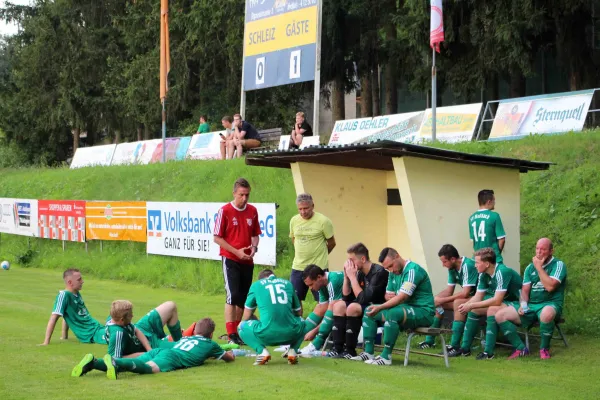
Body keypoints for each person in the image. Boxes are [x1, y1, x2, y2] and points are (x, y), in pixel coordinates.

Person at [72, 318, 235, 379]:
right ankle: (115, 361)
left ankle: (93, 363)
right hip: (172, 357)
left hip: (160, 351)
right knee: (147, 370)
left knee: (134, 363)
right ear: (211, 334)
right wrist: (231, 352)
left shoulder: (188, 337)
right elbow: (229, 358)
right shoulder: (211, 344)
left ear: (196, 330)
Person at [352, 247, 435, 365]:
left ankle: (386, 357)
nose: (390, 270)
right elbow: (388, 295)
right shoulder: (392, 273)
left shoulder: (413, 270)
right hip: (404, 309)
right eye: (387, 268)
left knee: (392, 313)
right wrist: (387, 297)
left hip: (423, 311)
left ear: (397, 256)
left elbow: (401, 297)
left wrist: (381, 307)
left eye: (391, 266)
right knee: (369, 311)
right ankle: (368, 352)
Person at [494, 238, 567, 359]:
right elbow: (525, 291)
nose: (539, 252)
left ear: (551, 251)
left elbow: (550, 287)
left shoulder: (558, 265)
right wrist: (523, 305)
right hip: (531, 305)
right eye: (537, 249)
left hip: (550, 304)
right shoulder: (529, 268)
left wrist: (539, 267)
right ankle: (521, 348)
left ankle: (544, 349)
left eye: (543, 249)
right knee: (499, 315)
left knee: (547, 313)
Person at [448, 248, 522, 360]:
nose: (475, 265)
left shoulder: (502, 271)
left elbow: (497, 300)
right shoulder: (483, 274)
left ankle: (489, 352)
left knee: (492, 308)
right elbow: (478, 296)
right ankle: (464, 348)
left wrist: (471, 305)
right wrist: (467, 305)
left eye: (477, 262)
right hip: (505, 302)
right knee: (473, 309)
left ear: (487, 264)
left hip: (519, 303)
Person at [237, 269, 322, 365]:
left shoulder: (256, 285)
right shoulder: (288, 284)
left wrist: (255, 320)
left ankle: (262, 352)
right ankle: (293, 351)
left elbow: (246, 316)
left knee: (241, 326)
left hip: (266, 334)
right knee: (302, 322)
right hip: (291, 333)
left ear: (261, 279)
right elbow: (298, 312)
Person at [213, 178, 261, 345]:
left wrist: (254, 248)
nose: (245, 198)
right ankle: (231, 332)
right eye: (241, 195)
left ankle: (239, 330)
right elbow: (217, 238)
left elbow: (255, 234)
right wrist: (236, 252)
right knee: (232, 295)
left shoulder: (253, 211)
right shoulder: (224, 211)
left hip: (247, 260)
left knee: (243, 298)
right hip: (231, 258)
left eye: (247, 195)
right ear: (234, 193)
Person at [328, 243, 388, 359]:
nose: (349, 264)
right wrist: (346, 277)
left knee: (353, 307)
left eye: (351, 260)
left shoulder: (378, 272)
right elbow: (346, 297)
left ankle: (350, 350)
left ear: (363, 259)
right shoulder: (359, 273)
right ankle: (337, 348)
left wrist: (352, 278)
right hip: (364, 307)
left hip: (378, 308)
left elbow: (364, 299)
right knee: (339, 305)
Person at [418, 244, 478, 350]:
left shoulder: (467, 265)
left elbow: (465, 293)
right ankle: (429, 341)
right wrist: (434, 300)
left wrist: (442, 300)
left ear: (453, 259)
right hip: (470, 298)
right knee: (438, 304)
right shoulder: (452, 268)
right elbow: (448, 291)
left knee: (457, 302)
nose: (443, 265)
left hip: (479, 298)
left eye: (444, 262)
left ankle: (454, 345)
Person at [289, 193, 336, 310]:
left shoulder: (323, 221)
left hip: (318, 267)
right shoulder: (294, 220)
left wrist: (321, 254)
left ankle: (323, 325)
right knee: (294, 299)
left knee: (322, 299)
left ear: (313, 206)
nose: (303, 212)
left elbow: (331, 243)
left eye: (306, 208)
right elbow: (294, 239)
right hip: (298, 266)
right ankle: (298, 324)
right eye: (300, 209)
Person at [41, 268, 107, 345]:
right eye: (79, 280)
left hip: (97, 327)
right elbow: (54, 318)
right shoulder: (63, 296)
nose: (82, 281)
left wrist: (64, 336)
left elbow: (67, 314)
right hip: (90, 334)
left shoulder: (76, 293)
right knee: (118, 335)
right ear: (70, 282)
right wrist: (46, 342)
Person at [104, 300, 183, 359]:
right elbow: (115, 359)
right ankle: (182, 342)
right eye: (130, 315)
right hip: (151, 344)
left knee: (170, 306)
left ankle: (179, 339)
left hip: (143, 328)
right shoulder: (117, 334)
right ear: (122, 320)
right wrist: (141, 354)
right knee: (182, 348)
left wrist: (149, 349)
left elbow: (136, 330)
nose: (132, 316)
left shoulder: (114, 317)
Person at [298, 264, 345, 354]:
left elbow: (331, 311)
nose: (310, 288)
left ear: (319, 277)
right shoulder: (322, 284)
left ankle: (316, 344)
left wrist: (314, 331)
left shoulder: (333, 281)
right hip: (343, 305)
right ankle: (297, 337)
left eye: (311, 284)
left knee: (332, 308)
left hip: (356, 303)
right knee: (319, 307)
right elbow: (322, 307)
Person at [469, 189, 506, 263]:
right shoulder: (494, 216)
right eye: (494, 200)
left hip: (478, 260)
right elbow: (502, 239)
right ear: (489, 202)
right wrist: (496, 254)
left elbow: (472, 241)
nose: (495, 202)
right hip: (492, 259)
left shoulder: (471, 218)